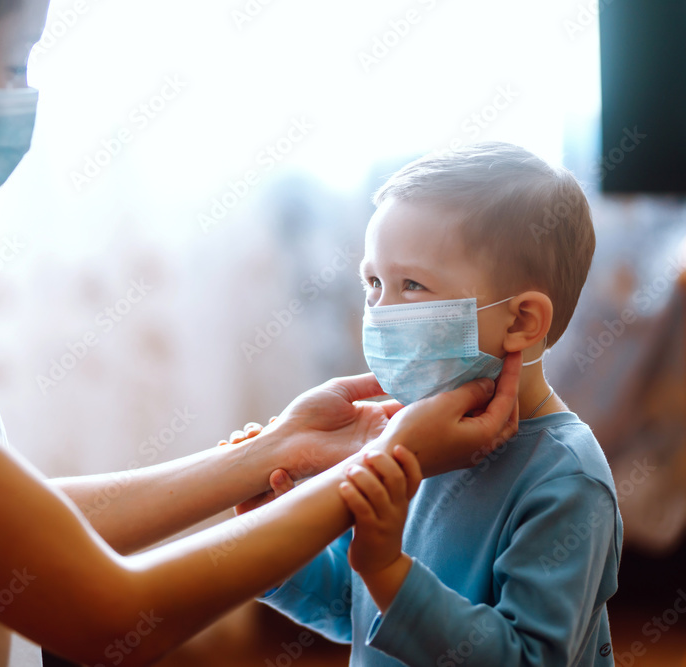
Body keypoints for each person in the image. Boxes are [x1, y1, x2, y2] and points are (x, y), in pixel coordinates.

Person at [0, 2, 521, 666]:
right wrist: (384, 467)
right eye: (12, 61)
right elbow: (109, 613)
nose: (23, 93)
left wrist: (275, 449)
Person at [250, 142, 623, 666]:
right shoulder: (409, 435)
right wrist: (272, 550)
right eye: (374, 282)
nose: (379, 310)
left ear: (520, 321)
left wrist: (387, 571)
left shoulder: (565, 482)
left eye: (412, 285)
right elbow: (351, 605)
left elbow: (528, 658)